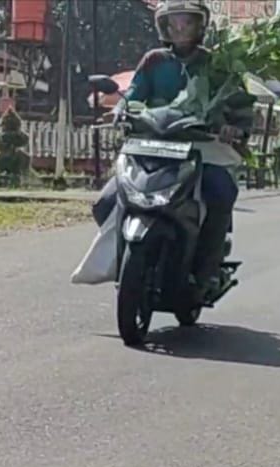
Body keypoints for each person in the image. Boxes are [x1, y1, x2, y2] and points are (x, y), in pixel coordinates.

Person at [96, 0, 250, 303]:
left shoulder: (217, 63)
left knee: (220, 193)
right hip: (150, 145)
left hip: (202, 148)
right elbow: (134, 95)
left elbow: (239, 102)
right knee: (105, 202)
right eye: (173, 22)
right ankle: (120, 262)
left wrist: (235, 126)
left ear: (200, 26)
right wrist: (120, 110)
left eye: (187, 21)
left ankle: (202, 272)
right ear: (163, 26)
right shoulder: (153, 60)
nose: (179, 27)